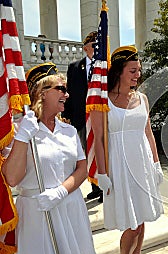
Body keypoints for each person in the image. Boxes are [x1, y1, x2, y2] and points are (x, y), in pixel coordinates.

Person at [1, 62, 96, 254]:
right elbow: (11, 178)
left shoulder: (68, 130)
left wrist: (60, 191)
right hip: (37, 212)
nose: (67, 94)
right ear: (43, 92)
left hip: (70, 205)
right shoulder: (19, 131)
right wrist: (22, 138)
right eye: (61, 88)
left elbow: (82, 168)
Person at [90, 45, 164, 254]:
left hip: (142, 165)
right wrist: (102, 173)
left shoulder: (142, 98)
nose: (138, 75)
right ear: (119, 71)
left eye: (139, 70)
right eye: (132, 71)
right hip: (120, 166)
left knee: (141, 221)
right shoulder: (103, 101)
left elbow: (148, 133)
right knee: (131, 225)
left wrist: (156, 163)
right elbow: (100, 139)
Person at [62, 31, 103, 202]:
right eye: (94, 45)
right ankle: (94, 186)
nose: (97, 48)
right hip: (80, 118)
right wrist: (66, 115)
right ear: (86, 48)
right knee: (86, 153)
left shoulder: (104, 67)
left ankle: (103, 187)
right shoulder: (74, 67)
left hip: (101, 118)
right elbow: (69, 93)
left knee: (103, 151)